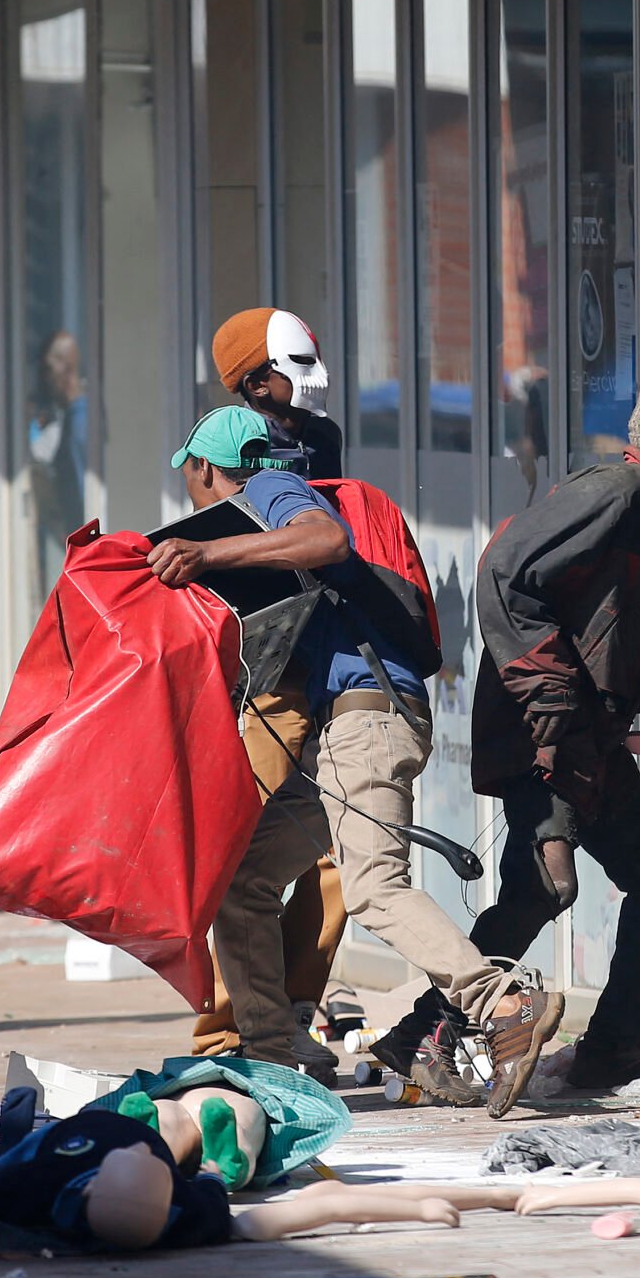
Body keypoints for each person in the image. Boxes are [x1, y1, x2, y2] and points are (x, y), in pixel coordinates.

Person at [148, 406, 561, 1116]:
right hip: (343, 728)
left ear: (205, 469)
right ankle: (268, 1058)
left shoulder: (271, 490)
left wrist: (207, 553)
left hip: (368, 717)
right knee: (241, 880)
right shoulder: (266, 524)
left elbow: (327, 538)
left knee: (373, 887)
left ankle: (503, 1003)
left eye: (189, 477)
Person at [377, 373, 640, 1094]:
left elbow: (620, 626)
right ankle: (426, 1036)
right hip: (545, 734)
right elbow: (504, 574)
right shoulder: (616, 494)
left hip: (584, 737)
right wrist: (553, 695)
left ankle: (611, 1047)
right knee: (547, 885)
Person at [191, 307, 352, 1077]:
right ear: (256, 380)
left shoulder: (322, 441)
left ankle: (287, 1013)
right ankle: (229, 1032)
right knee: (242, 851)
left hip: (329, 671)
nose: (315, 378)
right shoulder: (229, 445)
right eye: (298, 364)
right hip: (270, 681)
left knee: (336, 856)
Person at [213, 305, 341, 480]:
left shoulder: (325, 434)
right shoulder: (235, 447)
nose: (321, 373)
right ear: (256, 385)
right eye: (301, 361)